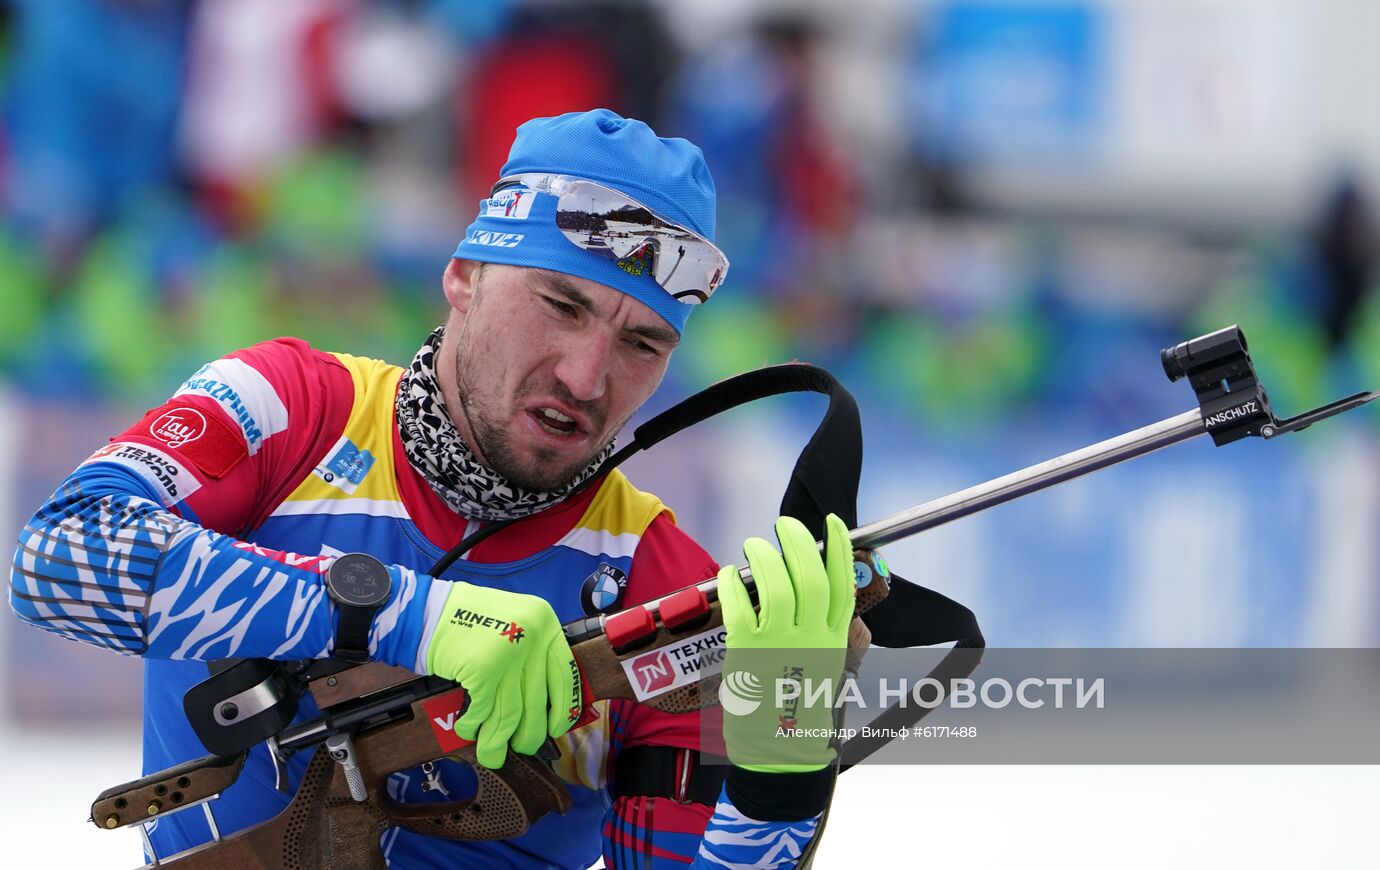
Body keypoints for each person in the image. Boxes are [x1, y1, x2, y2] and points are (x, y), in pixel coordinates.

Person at [10, 109, 853, 869]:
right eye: (560, 304)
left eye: (644, 343)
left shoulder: (658, 580)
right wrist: (410, 618)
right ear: (464, 276)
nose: (587, 375)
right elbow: (55, 560)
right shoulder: (293, 409)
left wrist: (782, 770)